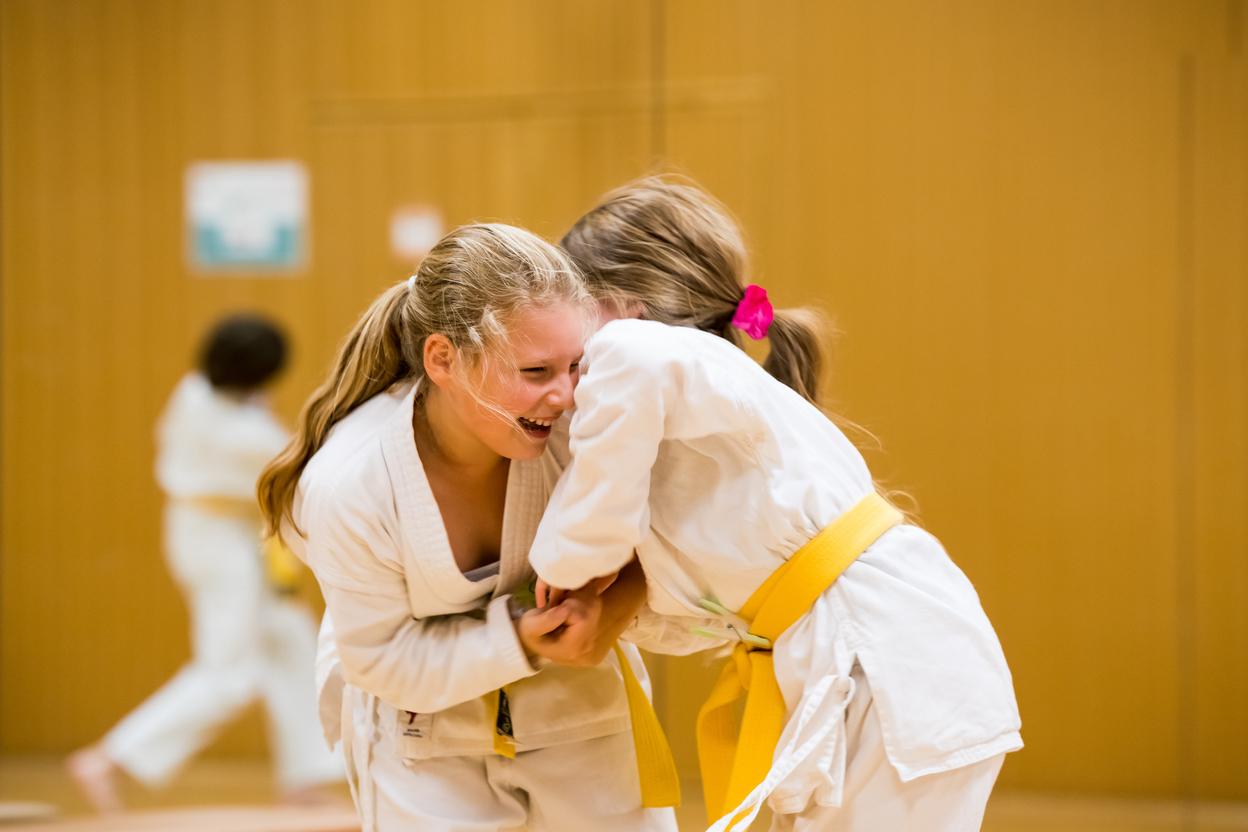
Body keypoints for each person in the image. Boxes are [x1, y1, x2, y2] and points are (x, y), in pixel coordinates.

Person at [530, 177, 1023, 831]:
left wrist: (562, 564)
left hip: (890, 659)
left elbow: (601, 508)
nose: (568, 355)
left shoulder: (635, 352)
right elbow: (687, 599)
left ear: (623, 307)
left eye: (573, 314)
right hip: (880, 651)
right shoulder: (696, 395)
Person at [256, 223, 679, 832]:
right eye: (535, 372)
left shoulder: (587, 427)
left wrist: (612, 610)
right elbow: (381, 658)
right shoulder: (352, 483)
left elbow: (658, 538)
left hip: (581, 708)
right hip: (419, 730)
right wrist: (521, 640)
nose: (563, 395)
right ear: (443, 359)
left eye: (576, 366)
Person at [67, 314, 343, 812]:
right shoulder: (242, 432)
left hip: (225, 537)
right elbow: (298, 470)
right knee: (229, 675)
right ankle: (110, 759)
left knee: (292, 644)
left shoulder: (194, 391)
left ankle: (304, 779)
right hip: (217, 547)